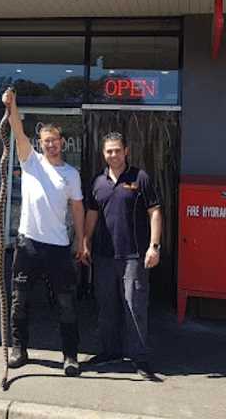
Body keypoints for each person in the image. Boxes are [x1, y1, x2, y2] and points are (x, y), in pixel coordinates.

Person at [1, 88, 86, 377]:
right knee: (19, 299)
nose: (51, 145)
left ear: (62, 143)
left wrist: (81, 240)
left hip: (59, 247)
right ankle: (19, 349)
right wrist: (12, 103)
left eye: (55, 141)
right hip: (29, 245)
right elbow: (16, 127)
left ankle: (71, 356)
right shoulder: (30, 161)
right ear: (40, 144)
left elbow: (77, 210)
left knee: (65, 304)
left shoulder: (71, 175)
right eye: (46, 141)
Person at [83, 132, 162, 380]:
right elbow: (91, 215)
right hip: (104, 256)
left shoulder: (140, 178)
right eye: (109, 151)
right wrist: (84, 242)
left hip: (133, 256)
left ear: (126, 151)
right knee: (106, 307)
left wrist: (154, 246)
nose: (113, 155)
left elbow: (155, 212)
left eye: (117, 150)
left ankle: (139, 358)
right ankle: (110, 351)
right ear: (103, 154)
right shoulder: (98, 181)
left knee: (134, 307)